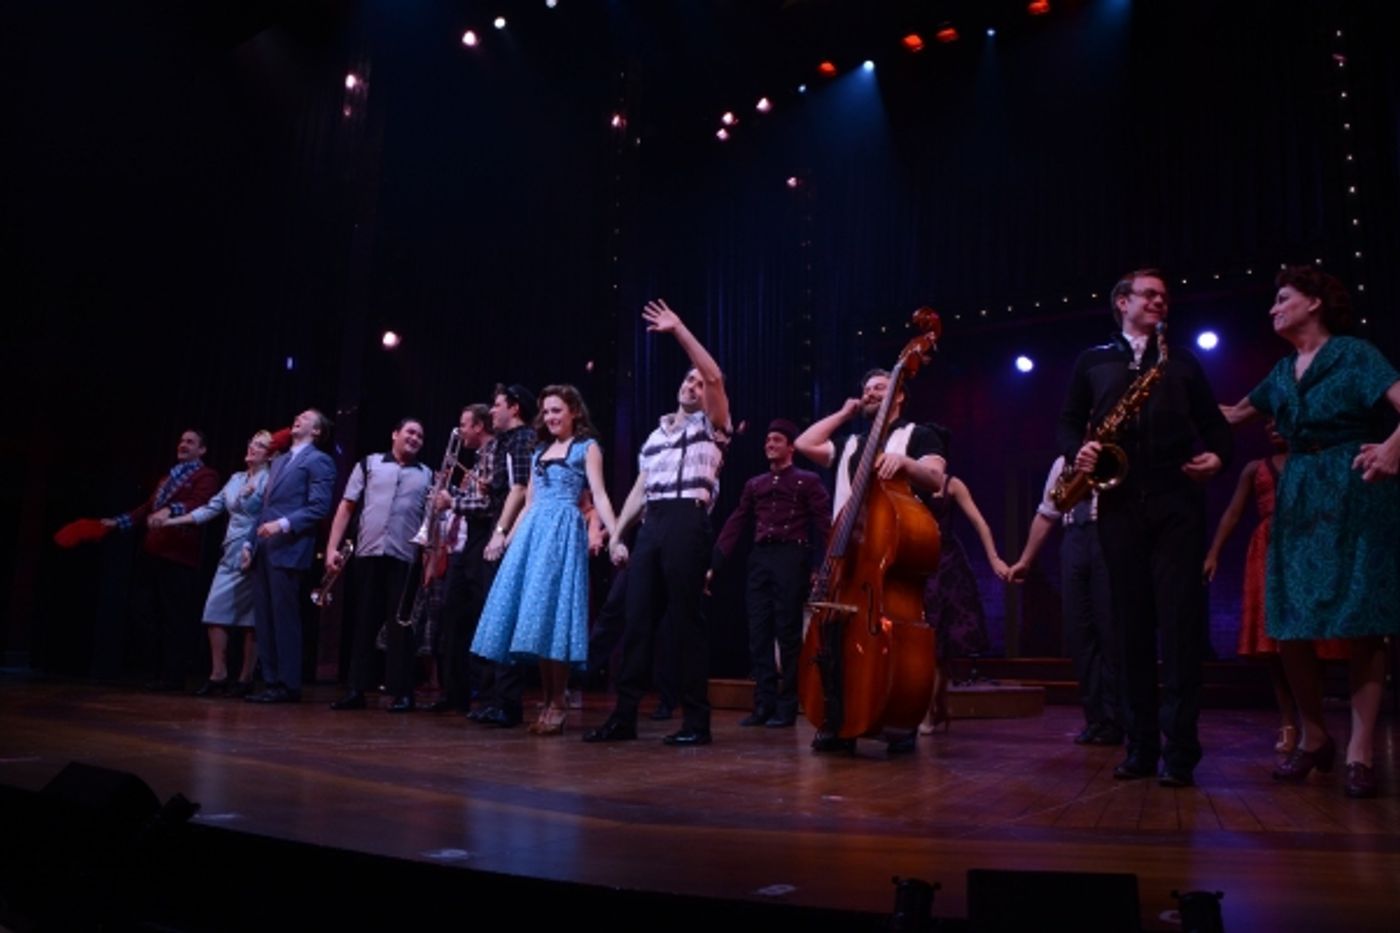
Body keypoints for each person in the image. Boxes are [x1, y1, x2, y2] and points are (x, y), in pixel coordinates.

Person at [1220, 265, 1400, 798]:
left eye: (1283, 298)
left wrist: (1394, 446)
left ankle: (1361, 747)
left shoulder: (1355, 355)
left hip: (1354, 489)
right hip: (1298, 497)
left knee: (1363, 620)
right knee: (1292, 622)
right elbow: (1232, 416)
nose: (1273, 309)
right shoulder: (1280, 373)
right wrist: (1174, 391)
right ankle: (1315, 733)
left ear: (1314, 302)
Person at [1057, 268, 1232, 788]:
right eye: (1150, 294)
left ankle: (1180, 753)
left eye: (1165, 296)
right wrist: (1079, 449)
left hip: (1177, 502)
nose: (1161, 302)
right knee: (1129, 628)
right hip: (1119, 505)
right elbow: (1068, 421)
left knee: (1179, 628)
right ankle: (1140, 747)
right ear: (1122, 302)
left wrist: (1219, 458)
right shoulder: (1092, 360)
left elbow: (1217, 425)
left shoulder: (1181, 361)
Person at [584, 299, 732, 747]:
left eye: (696, 381)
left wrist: (680, 331)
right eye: (686, 380)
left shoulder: (714, 426)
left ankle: (696, 722)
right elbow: (639, 490)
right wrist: (619, 533)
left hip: (688, 520)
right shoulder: (656, 434)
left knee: (686, 622)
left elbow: (714, 376)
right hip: (654, 522)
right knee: (637, 620)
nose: (693, 384)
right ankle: (624, 716)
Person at [794, 368, 947, 752]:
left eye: (881, 387)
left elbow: (935, 478)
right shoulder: (851, 443)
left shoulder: (918, 434)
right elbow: (803, 443)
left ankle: (895, 716)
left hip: (886, 556)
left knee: (888, 637)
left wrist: (908, 465)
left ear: (899, 395)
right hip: (844, 556)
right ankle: (836, 718)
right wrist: (845, 413)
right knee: (833, 636)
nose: (871, 393)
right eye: (866, 390)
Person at [471, 386, 620, 735]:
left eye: (557, 410)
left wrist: (614, 535)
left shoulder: (587, 448)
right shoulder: (538, 450)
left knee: (554, 614)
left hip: (563, 532)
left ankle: (558, 699)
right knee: (535, 617)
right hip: (533, 533)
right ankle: (551, 696)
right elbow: (528, 504)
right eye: (547, 411)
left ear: (574, 413)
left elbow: (598, 494)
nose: (551, 417)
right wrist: (506, 538)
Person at [1202, 423, 1349, 756]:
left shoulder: (1317, 463)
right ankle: (1287, 721)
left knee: (1312, 640)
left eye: (1279, 420)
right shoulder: (1255, 468)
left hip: (1310, 548)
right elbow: (1233, 513)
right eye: (1266, 422)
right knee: (1275, 644)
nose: (1272, 427)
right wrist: (1214, 553)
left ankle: (1314, 722)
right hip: (1268, 551)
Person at [710, 418, 831, 728]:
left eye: (777, 440)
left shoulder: (808, 481)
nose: (770, 445)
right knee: (759, 631)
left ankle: (787, 706)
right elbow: (737, 522)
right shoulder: (755, 484)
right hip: (760, 558)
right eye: (768, 441)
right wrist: (716, 561)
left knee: (788, 633)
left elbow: (824, 525)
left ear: (791, 447)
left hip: (792, 557)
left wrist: (825, 564)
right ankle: (763, 704)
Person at [1005, 456, 1122, 746]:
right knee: (1079, 633)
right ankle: (1096, 719)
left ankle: (1117, 718)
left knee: (1110, 630)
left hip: (1106, 532)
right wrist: (1025, 561)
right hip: (1073, 539)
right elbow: (1047, 513)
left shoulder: (1115, 450)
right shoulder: (1062, 463)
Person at [153, 430, 273, 697]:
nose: (253, 447)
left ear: (271, 454)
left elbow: (266, 515)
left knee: (250, 619)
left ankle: (245, 678)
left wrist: (251, 546)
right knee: (214, 611)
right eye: (252, 442)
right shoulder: (236, 479)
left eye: (261, 445)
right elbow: (211, 508)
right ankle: (218, 675)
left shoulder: (270, 480)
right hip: (229, 551)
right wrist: (171, 521)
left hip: (253, 551)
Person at [102, 429, 222, 690]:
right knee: (144, 612)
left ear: (202, 450)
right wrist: (118, 522)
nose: (183, 444)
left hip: (178, 555)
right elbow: (148, 508)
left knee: (174, 617)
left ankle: (172, 676)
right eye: (181, 440)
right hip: (152, 552)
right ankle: (154, 670)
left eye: (190, 442)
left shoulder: (206, 475)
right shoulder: (168, 477)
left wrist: (170, 510)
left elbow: (200, 503)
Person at [326, 418, 431, 712]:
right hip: (369, 553)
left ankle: (402, 693)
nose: (415, 438)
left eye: (420, 435)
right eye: (410, 432)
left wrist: (430, 561)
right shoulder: (368, 464)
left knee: (401, 627)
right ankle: (356, 689)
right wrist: (332, 547)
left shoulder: (427, 474)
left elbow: (431, 520)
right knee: (363, 623)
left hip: (404, 557)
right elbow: (347, 506)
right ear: (394, 434)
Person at [243, 408, 338, 704]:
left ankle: (288, 683)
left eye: (307, 417)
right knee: (264, 617)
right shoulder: (281, 460)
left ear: (318, 431)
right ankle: (271, 681)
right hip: (265, 548)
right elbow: (265, 508)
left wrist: (283, 525)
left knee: (284, 617)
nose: (298, 417)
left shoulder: (320, 461)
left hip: (289, 547)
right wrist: (249, 544)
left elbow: (318, 507)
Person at [917, 473, 1008, 734]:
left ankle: (932, 710)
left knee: (941, 645)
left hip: (948, 566)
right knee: (928, 644)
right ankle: (937, 707)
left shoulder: (952, 484)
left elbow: (981, 524)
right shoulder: (910, 481)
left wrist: (994, 560)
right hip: (919, 561)